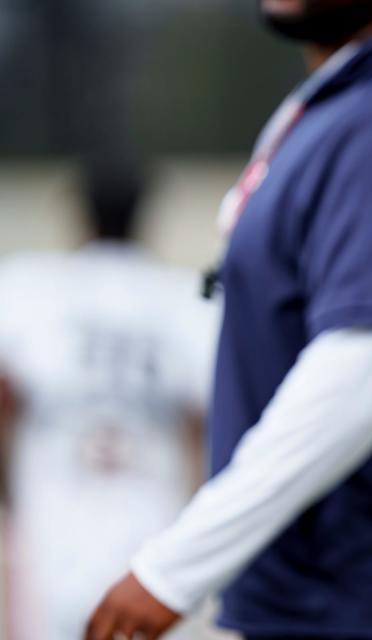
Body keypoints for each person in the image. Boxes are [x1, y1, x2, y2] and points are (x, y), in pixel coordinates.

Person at [85, 1, 372, 639]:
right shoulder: (370, 90)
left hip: (369, 599)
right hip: (340, 593)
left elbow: (365, 360)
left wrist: (172, 569)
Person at [0, 157, 217, 640]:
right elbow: (204, 424)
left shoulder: (29, 286)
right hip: (151, 535)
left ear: (80, 213)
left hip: (51, 522)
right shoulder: (184, 298)